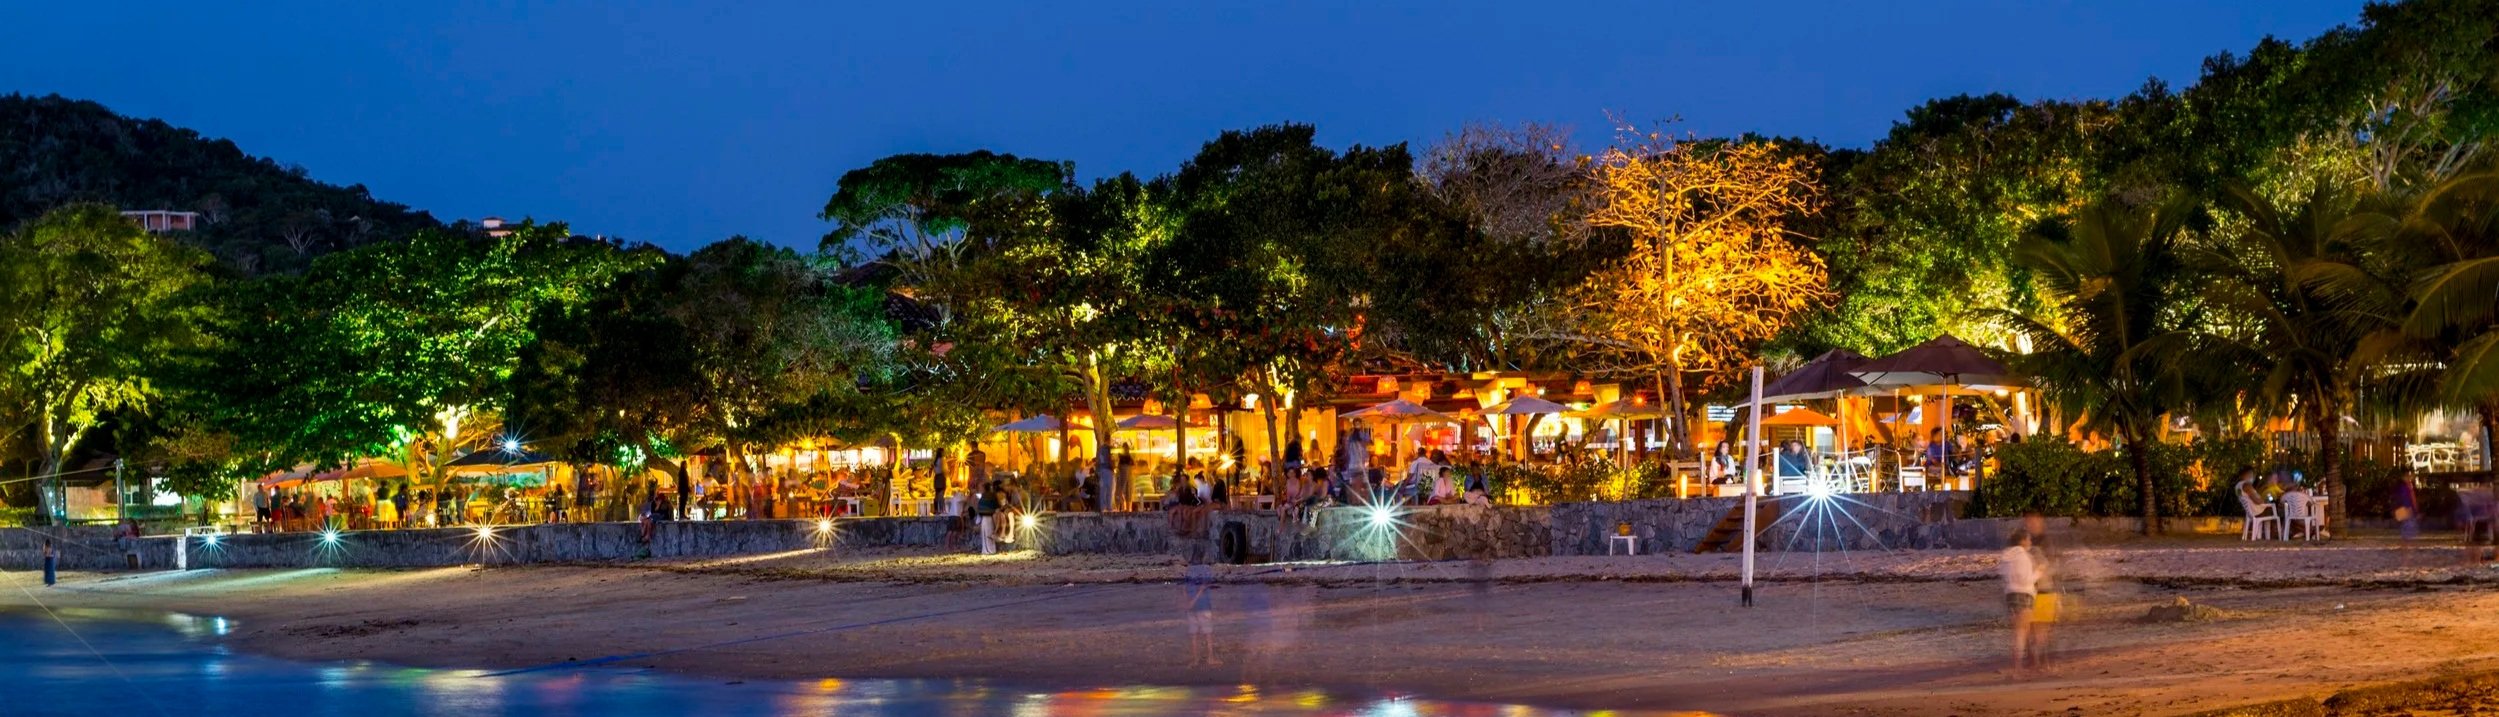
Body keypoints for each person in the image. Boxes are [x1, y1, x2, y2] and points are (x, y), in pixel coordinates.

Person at [2001, 529, 2038, 671]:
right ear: (2022, 541)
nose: (2030, 542)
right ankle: (2018, 667)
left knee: (2019, 631)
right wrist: (2038, 573)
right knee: (2022, 632)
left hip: (2010, 595)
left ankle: (2020, 665)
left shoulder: (2007, 556)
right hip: (2024, 594)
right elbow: (2026, 579)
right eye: (2028, 539)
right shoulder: (2023, 556)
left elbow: (2005, 577)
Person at [1180, 550, 1218, 667]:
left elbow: (1184, 589)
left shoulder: (1189, 570)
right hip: (1204, 606)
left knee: (1194, 635)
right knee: (1208, 634)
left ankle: (1195, 660)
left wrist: (1188, 603)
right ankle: (1210, 658)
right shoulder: (1206, 570)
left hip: (1191, 608)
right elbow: (1204, 587)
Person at [2393, 467, 2421, 553]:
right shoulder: (2405, 487)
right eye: (2410, 475)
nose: (2412, 477)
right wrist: (2414, 510)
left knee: (2406, 532)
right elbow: (2409, 499)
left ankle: (2406, 550)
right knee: (2407, 532)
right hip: (2407, 510)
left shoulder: (2404, 486)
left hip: (2405, 510)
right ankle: (2406, 551)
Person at [974, 478, 1002, 555]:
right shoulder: (993, 495)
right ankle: (991, 550)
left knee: (985, 534)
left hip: (983, 518)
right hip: (990, 517)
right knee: (989, 533)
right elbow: (996, 505)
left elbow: (979, 507)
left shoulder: (982, 496)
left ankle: (985, 550)